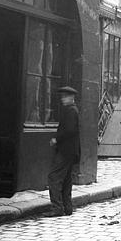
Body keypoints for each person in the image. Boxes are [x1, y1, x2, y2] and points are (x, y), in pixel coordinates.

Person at [45, 86, 81, 217]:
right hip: (70, 151)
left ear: (71, 98)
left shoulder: (71, 111)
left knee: (53, 177)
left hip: (66, 151)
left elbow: (70, 130)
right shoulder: (72, 110)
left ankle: (57, 208)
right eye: (62, 97)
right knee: (66, 179)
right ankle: (67, 208)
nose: (62, 99)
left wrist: (56, 139)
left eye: (65, 97)